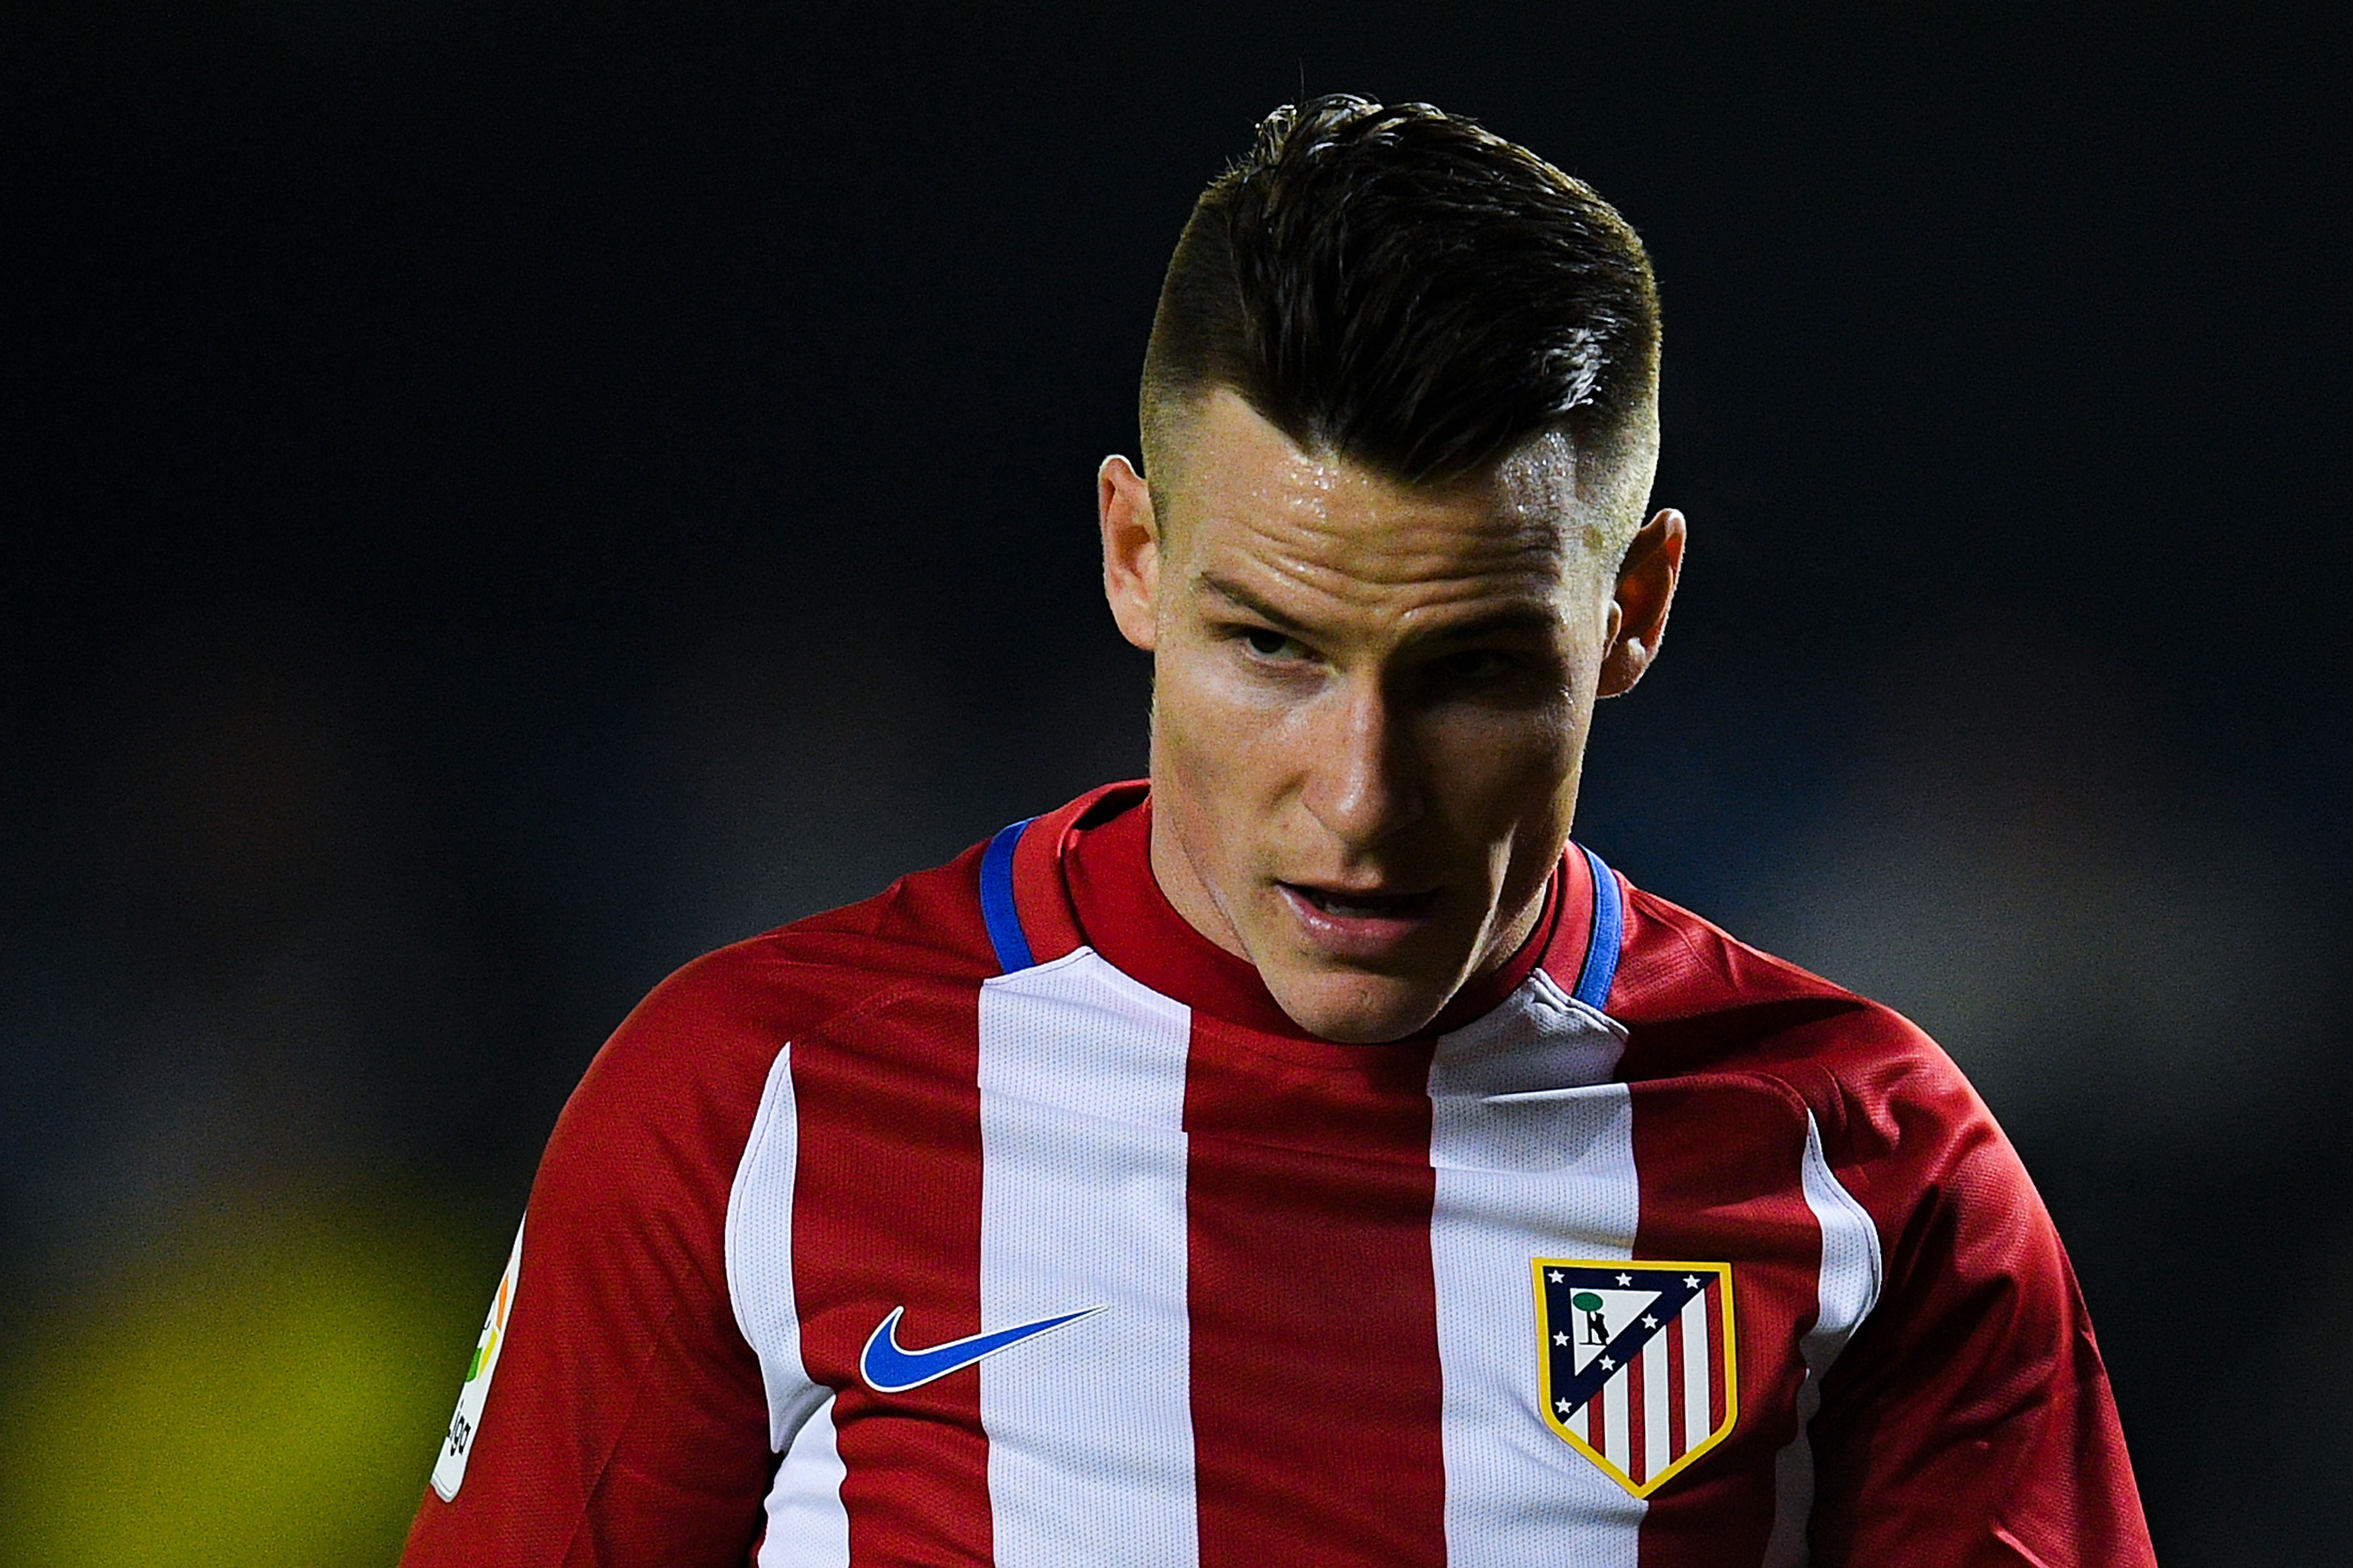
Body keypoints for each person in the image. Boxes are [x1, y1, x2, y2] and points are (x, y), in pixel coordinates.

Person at [400, 95, 2155, 1566]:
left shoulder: (1872, 1164)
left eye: (1470, 671)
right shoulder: (745, 1101)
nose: (1361, 796)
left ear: (1631, 610)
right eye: (1272, 648)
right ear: (1133, 556)